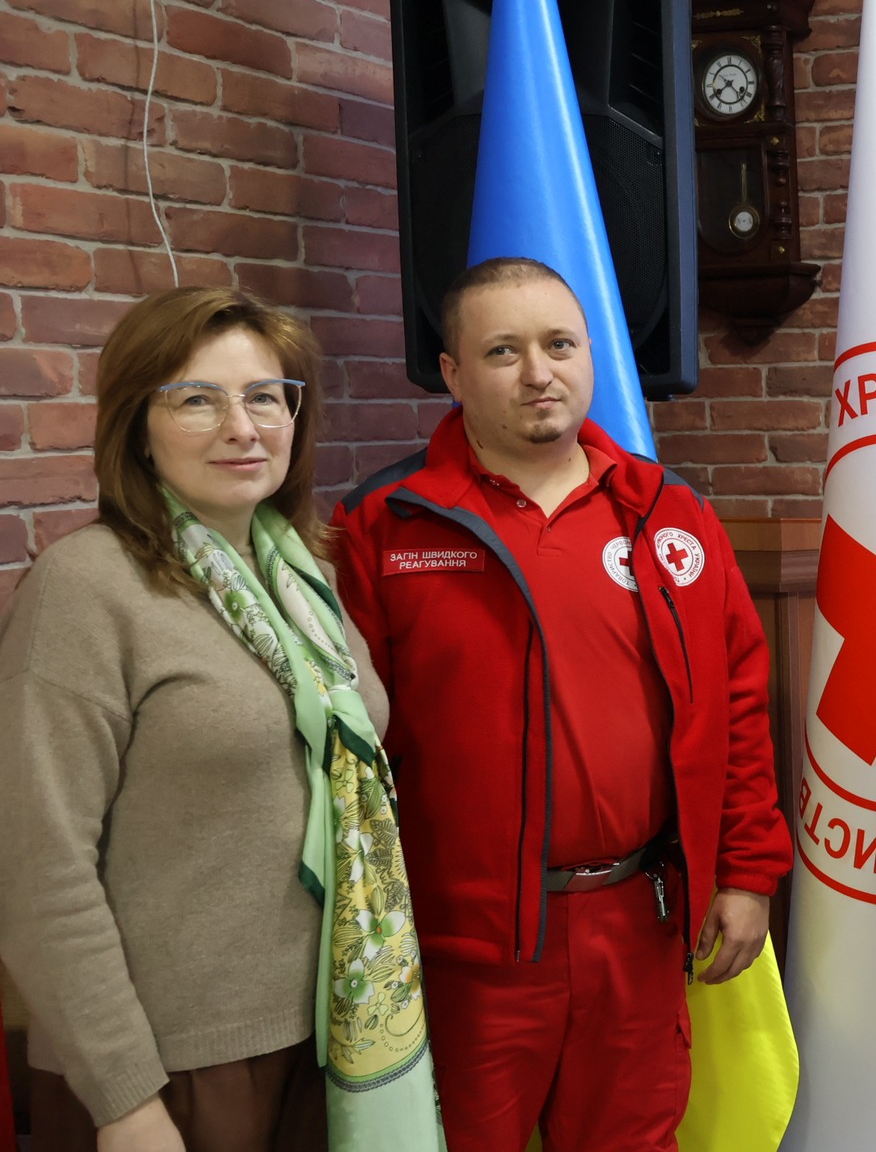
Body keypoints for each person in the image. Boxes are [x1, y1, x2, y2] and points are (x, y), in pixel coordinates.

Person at [328, 257, 791, 1151]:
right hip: (465, 946)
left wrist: (746, 874)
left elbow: (736, 705)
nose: (538, 372)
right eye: (503, 351)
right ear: (454, 372)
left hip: (641, 922)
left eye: (560, 345)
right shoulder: (384, 524)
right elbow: (353, 751)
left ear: (591, 356)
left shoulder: (669, 514)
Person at [0, 287, 439, 1152]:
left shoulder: (302, 576)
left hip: (333, 1031)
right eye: (197, 400)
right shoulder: (87, 588)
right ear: (138, 426)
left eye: (265, 397)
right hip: (173, 1068)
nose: (242, 428)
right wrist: (124, 1099)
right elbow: (37, 864)